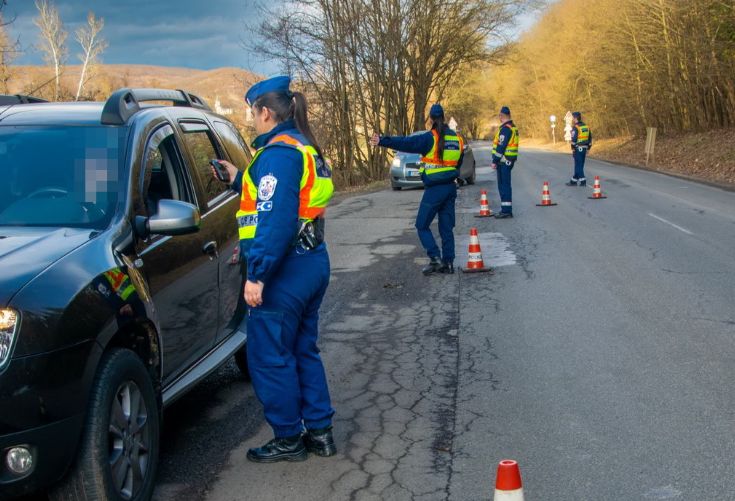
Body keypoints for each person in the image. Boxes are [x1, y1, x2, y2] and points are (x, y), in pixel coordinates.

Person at [213, 75, 336, 463]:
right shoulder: (303, 147)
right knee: (302, 350)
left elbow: (277, 220)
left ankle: (288, 439)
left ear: (265, 112)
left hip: (284, 271)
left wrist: (257, 275)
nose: (252, 120)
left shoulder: (278, 155)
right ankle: (320, 433)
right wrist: (238, 179)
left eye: (253, 112)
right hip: (311, 260)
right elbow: (283, 201)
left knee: (269, 357)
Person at [370, 104, 464, 275]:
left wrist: (382, 140)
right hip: (450, 188)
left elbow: (406, 142)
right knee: (446, 228)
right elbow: (459, 162)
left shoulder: (429, 138)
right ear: (444, 117)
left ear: (431, 119)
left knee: (421, 225)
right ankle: (448, 263)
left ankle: (435, 259)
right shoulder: (457, 139)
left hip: (434, 190)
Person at [491, 106, 519, 219]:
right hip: (509, 160)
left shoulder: (505, 129)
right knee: (505, 185)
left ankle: (506, 211)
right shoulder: (513, 127)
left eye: (499, 116)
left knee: (503, 186)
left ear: (501, 116)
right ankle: (505, 209)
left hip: (503, 161)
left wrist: (494, 160)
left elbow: (500, 147)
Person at [566, 111, 592, 186]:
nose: (572, 120)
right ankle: (573, 180)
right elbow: (590, 138)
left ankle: (583, 180)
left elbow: (573, 140)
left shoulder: (575, 128)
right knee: (580, 165)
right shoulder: (586, 127)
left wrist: (573, 149)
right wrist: (588, 148)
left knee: (578, 165)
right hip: (584, 148)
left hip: (578, 148)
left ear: (575, 118)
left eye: (573, 118)